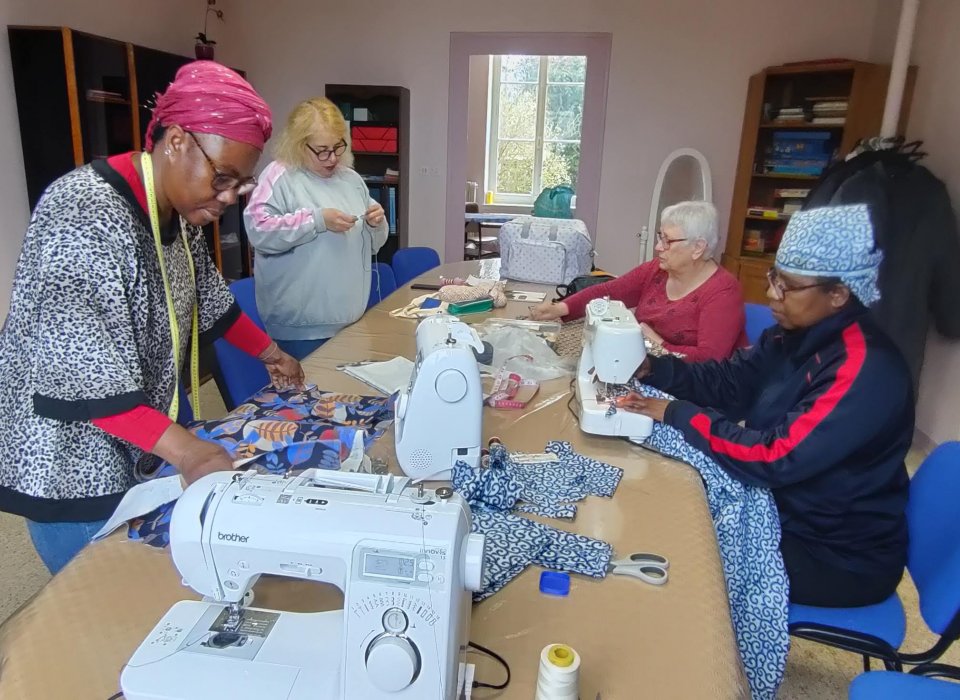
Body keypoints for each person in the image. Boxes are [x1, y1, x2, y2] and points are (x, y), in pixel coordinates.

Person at [0, 61, 305, 575]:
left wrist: (272, 354)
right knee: (103, 610)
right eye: (223, 177)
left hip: (140, 443)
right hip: (72, 464)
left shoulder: (175, 213)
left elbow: (210, 299)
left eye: (242, 184)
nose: (229, 198)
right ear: (178, 141)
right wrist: (188, 451)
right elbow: (80, 372)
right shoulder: (82, 213)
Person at [616, 204, 912, 607]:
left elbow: (773, 455)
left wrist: (675, 413)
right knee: (660, 500)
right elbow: (729, 382)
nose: (771, 293)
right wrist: (654, 369)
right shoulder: (794, 335)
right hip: (789, 509)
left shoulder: (863, 369)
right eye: (775, 276)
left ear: (838, 294)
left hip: (836, 553)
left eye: (787, 285)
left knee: (677, 552)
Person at [243, 97, 389, 359]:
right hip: (301, 330)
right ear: (299, 145)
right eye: (321, 150)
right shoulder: (279, 176)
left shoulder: (351, 180)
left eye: (338, 147)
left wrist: (376, 223)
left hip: (350, 322)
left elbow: (374, 244)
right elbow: (258, 230)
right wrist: (317, 220)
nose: (332, 158)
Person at [529, 201, 747, 361]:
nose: (659, 247)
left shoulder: (723, 293)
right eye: (660, 237)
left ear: (698, 248)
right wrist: (560, 308)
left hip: (699, 389)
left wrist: (658, 344)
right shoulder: (657, 270)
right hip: (652, 364)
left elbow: (709, 360)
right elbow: (608, 292)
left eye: (668, 241)